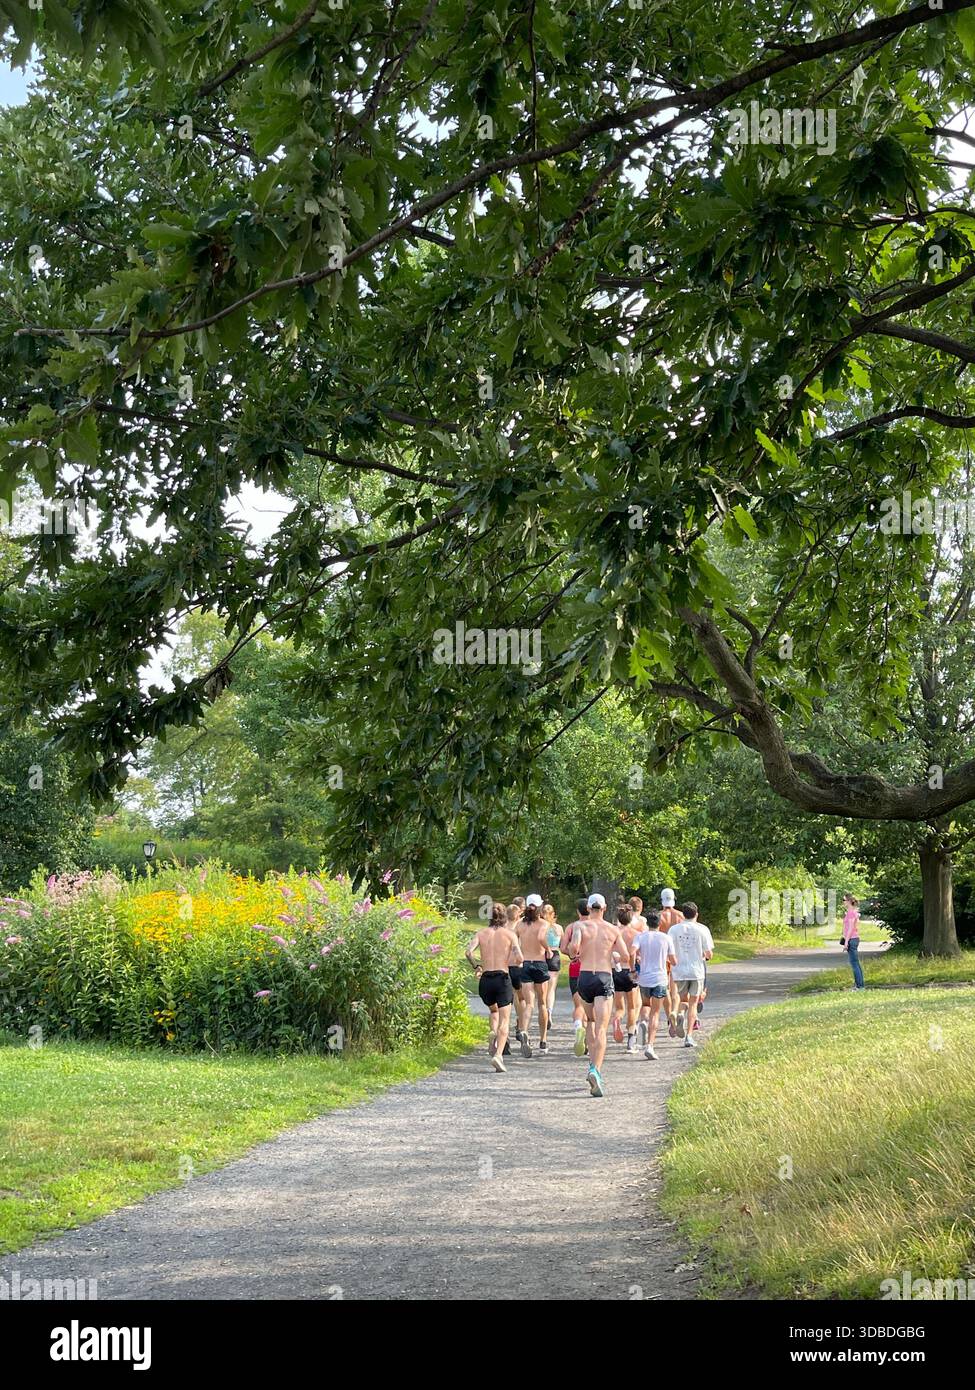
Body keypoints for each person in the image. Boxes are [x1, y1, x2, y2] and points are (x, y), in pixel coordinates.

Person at [565, 893, 631, 1096]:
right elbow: (626, 955)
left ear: (588, 908)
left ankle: (590, 1061)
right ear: (603, 908)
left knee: (591, 1023)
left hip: (584, 978)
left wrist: (576, 954)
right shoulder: (612, 929)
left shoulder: (580, 926)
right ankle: (596, 1070)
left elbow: (573, 948)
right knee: (602, 1028)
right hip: (603, 977)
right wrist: (612, 954)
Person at [466, 903, 523, 1071]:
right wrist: (516, 961)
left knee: (493, 1011)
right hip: (502, 978)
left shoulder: (481, 933)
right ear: (504, 916)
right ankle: (498, 1055)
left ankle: (492, 1032)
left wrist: (477, 967)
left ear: (489, 916)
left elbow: (468, 952)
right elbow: (519, 958)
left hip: (486, 981)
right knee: (505, 1019)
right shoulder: (509, 934)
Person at [633, 908, 677, 1059]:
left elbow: (632, 951)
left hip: (644, 978)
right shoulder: (666, 938)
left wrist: (634, 967)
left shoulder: (641, 937)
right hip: (660, 978)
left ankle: (643, 1022)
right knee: (656, 1012)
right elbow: (674, 960)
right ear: (660, 923)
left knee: (646, 1005)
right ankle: (650, 1045)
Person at [668, 903, 713, 1048]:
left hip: (679, 970)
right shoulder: (702, 929)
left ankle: (680, 1013)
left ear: (683, 915)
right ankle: (689, 1036)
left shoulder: (673, 930)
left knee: (683, 1000)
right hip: (696, 970)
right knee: (693, 1003)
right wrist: (705, 956)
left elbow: (670, 950)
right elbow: (709, 954)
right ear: (696, 914)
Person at [518, 894, 552, 1053]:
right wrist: (548, 949)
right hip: (539, 963)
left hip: (525, 963)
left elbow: (513, 940)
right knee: (542, 1003)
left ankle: (524, 1030)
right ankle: (543, 1040)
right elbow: (540, 937)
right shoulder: (543, 923)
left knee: (528, 1002)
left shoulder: (520, 924)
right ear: (539, 907)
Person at [610, 904, 642, 1052]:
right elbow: (638, 954)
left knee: (619, 1007)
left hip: (615, 970)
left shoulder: (612, 932)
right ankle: (631, 1039)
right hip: (630, 971)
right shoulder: (635, 933)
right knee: (632, 1007)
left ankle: (616, 1019)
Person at [562, 898, 590, 1054]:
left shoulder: (572, 927)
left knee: (578, 1005)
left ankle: (579, 1026)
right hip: (592, 967)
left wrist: (574, 955)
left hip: (575, 967)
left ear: (578, 911)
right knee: (592, 1006)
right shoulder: (596, 926)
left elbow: (562, 947)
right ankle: (588, 1039)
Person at [658, 889, 684, 1030]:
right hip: (676, 954)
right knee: (675, 988)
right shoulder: (680, 916)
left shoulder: (659, 916)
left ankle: (670, 1015)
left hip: (662, 955)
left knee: (665, 987)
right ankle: (674, 1010)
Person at [505, 902, 529, 1056]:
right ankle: (521, 1026)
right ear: (519, 913)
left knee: (505, 1003)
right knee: (521, 998)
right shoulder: (521, 927)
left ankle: (504, 1036)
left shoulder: (503, 928)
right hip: (518, 966)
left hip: (504, 966)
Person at [542, 902, 563, 1025]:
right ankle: (549, 1011)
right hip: (554, 956)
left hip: (542, 955)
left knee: (541, 988)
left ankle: (543, 1010)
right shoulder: (558, 928)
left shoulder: (540, 927)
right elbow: (563, 944)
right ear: (553, 914)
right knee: (551, 989)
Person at [840, 893, 864, 990]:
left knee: (854, 964)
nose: (843, 902)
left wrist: (846, 942)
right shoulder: (852, 912)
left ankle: (859, 986)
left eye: (844, 900)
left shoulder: (851, 912)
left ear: (849, 901)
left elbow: (850, 928)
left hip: (851, 939)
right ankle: (859, 985)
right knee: (856, 963)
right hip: (853, 938)